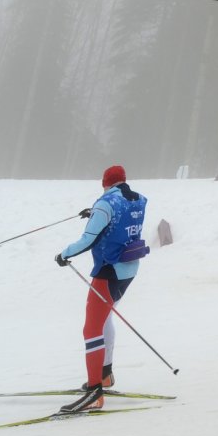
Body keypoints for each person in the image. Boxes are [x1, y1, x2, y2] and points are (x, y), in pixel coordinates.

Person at [53, 164, 148, 413]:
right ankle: (105, 375)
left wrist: (64, 254)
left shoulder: (105, 204)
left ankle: (95, 393)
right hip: (130, 268)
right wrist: (95, 213)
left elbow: (89, 239)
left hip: (108, 270)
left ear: (104, 182)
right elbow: (120, 219)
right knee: (105, 319)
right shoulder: (138, 199)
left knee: (92, 328)